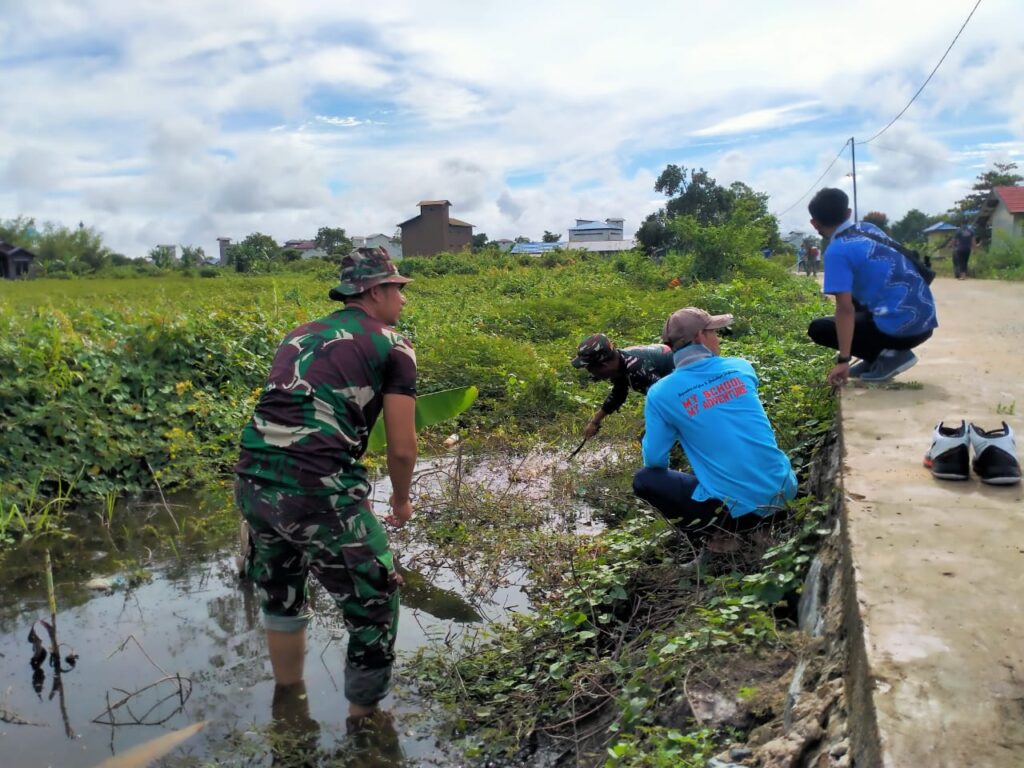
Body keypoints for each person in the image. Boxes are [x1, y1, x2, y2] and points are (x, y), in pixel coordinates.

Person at [234, 246, 417, 723]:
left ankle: (288, 702)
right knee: (375, 599)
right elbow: (402, 447)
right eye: (398, 289)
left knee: (282, 593)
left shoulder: (300, 333)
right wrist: (401, 498)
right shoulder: (393, 345)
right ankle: (364, 720)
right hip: (320, 489)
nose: (402, 300)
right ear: (375, 291)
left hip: (254, 479)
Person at [633, 307, 797, 547]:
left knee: (645, 479)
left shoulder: (660, 394)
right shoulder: (741, 367)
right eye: (714, 332)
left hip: (739, 514)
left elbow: (654, 462)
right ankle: (760, 531)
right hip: (785, 493)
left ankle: (723, 537)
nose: (717, 338)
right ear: (701, 336)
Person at [805, 188, 938, 385]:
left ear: (814, 223)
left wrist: (843, 360)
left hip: (902, 332)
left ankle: (891, 356)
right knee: (859, 292)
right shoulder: (868, 228)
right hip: (925, 322)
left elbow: (844, 309)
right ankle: (875, 357)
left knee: (820, 328)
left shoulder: (837, 251)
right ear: (848, 213)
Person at [571, 333, 674, 438]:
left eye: (591, 369)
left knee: (649, 435)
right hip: (673, 388)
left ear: (604, 365)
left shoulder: (637, 368)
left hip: (684, 382)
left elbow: (667, 398)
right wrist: (594, 422)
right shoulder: (619, 363)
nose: (592, 374)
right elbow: (618, 394)